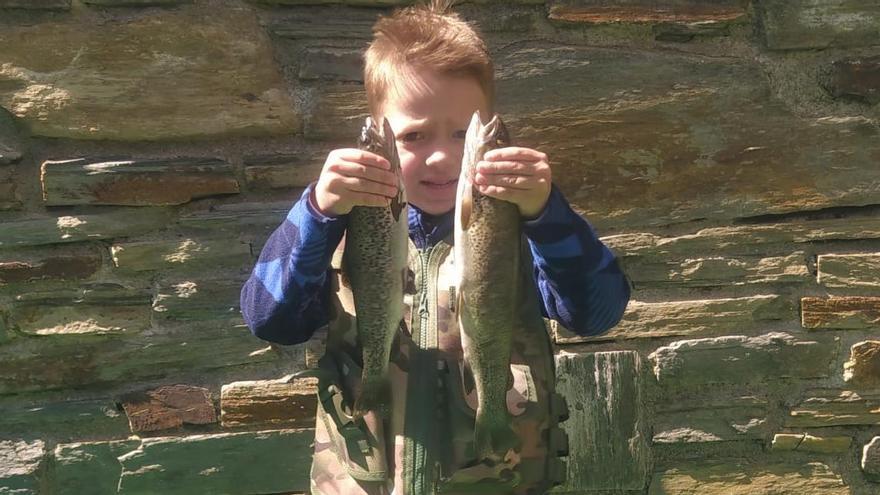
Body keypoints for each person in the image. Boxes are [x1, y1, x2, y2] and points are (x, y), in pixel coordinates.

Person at [240, 1, 630, 494]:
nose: (442, 155)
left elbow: (597, 312)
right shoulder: (337, 225)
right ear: (379, 136)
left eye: (464, 133)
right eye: (414, 135)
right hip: (363, 482)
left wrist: (547, 210)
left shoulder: (521, 225)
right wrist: (316, 209)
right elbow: (268, 318)